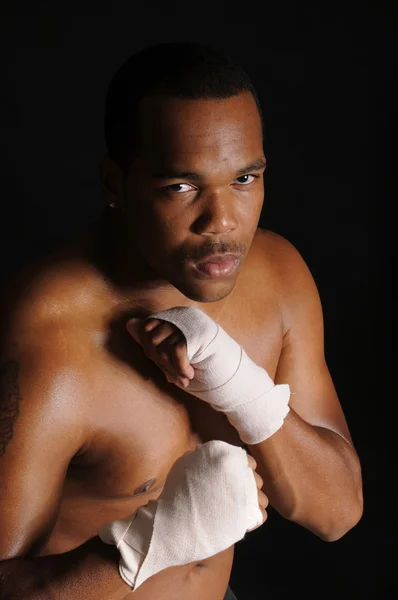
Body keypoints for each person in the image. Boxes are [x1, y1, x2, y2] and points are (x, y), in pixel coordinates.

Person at [0, 41, 363, 599]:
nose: (222, 222)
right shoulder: (48, 336)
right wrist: (153, 541)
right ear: (114, 185)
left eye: (244, 180)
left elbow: (337, 512)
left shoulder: (278, 276)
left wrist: (241, 389)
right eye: (181, 187)